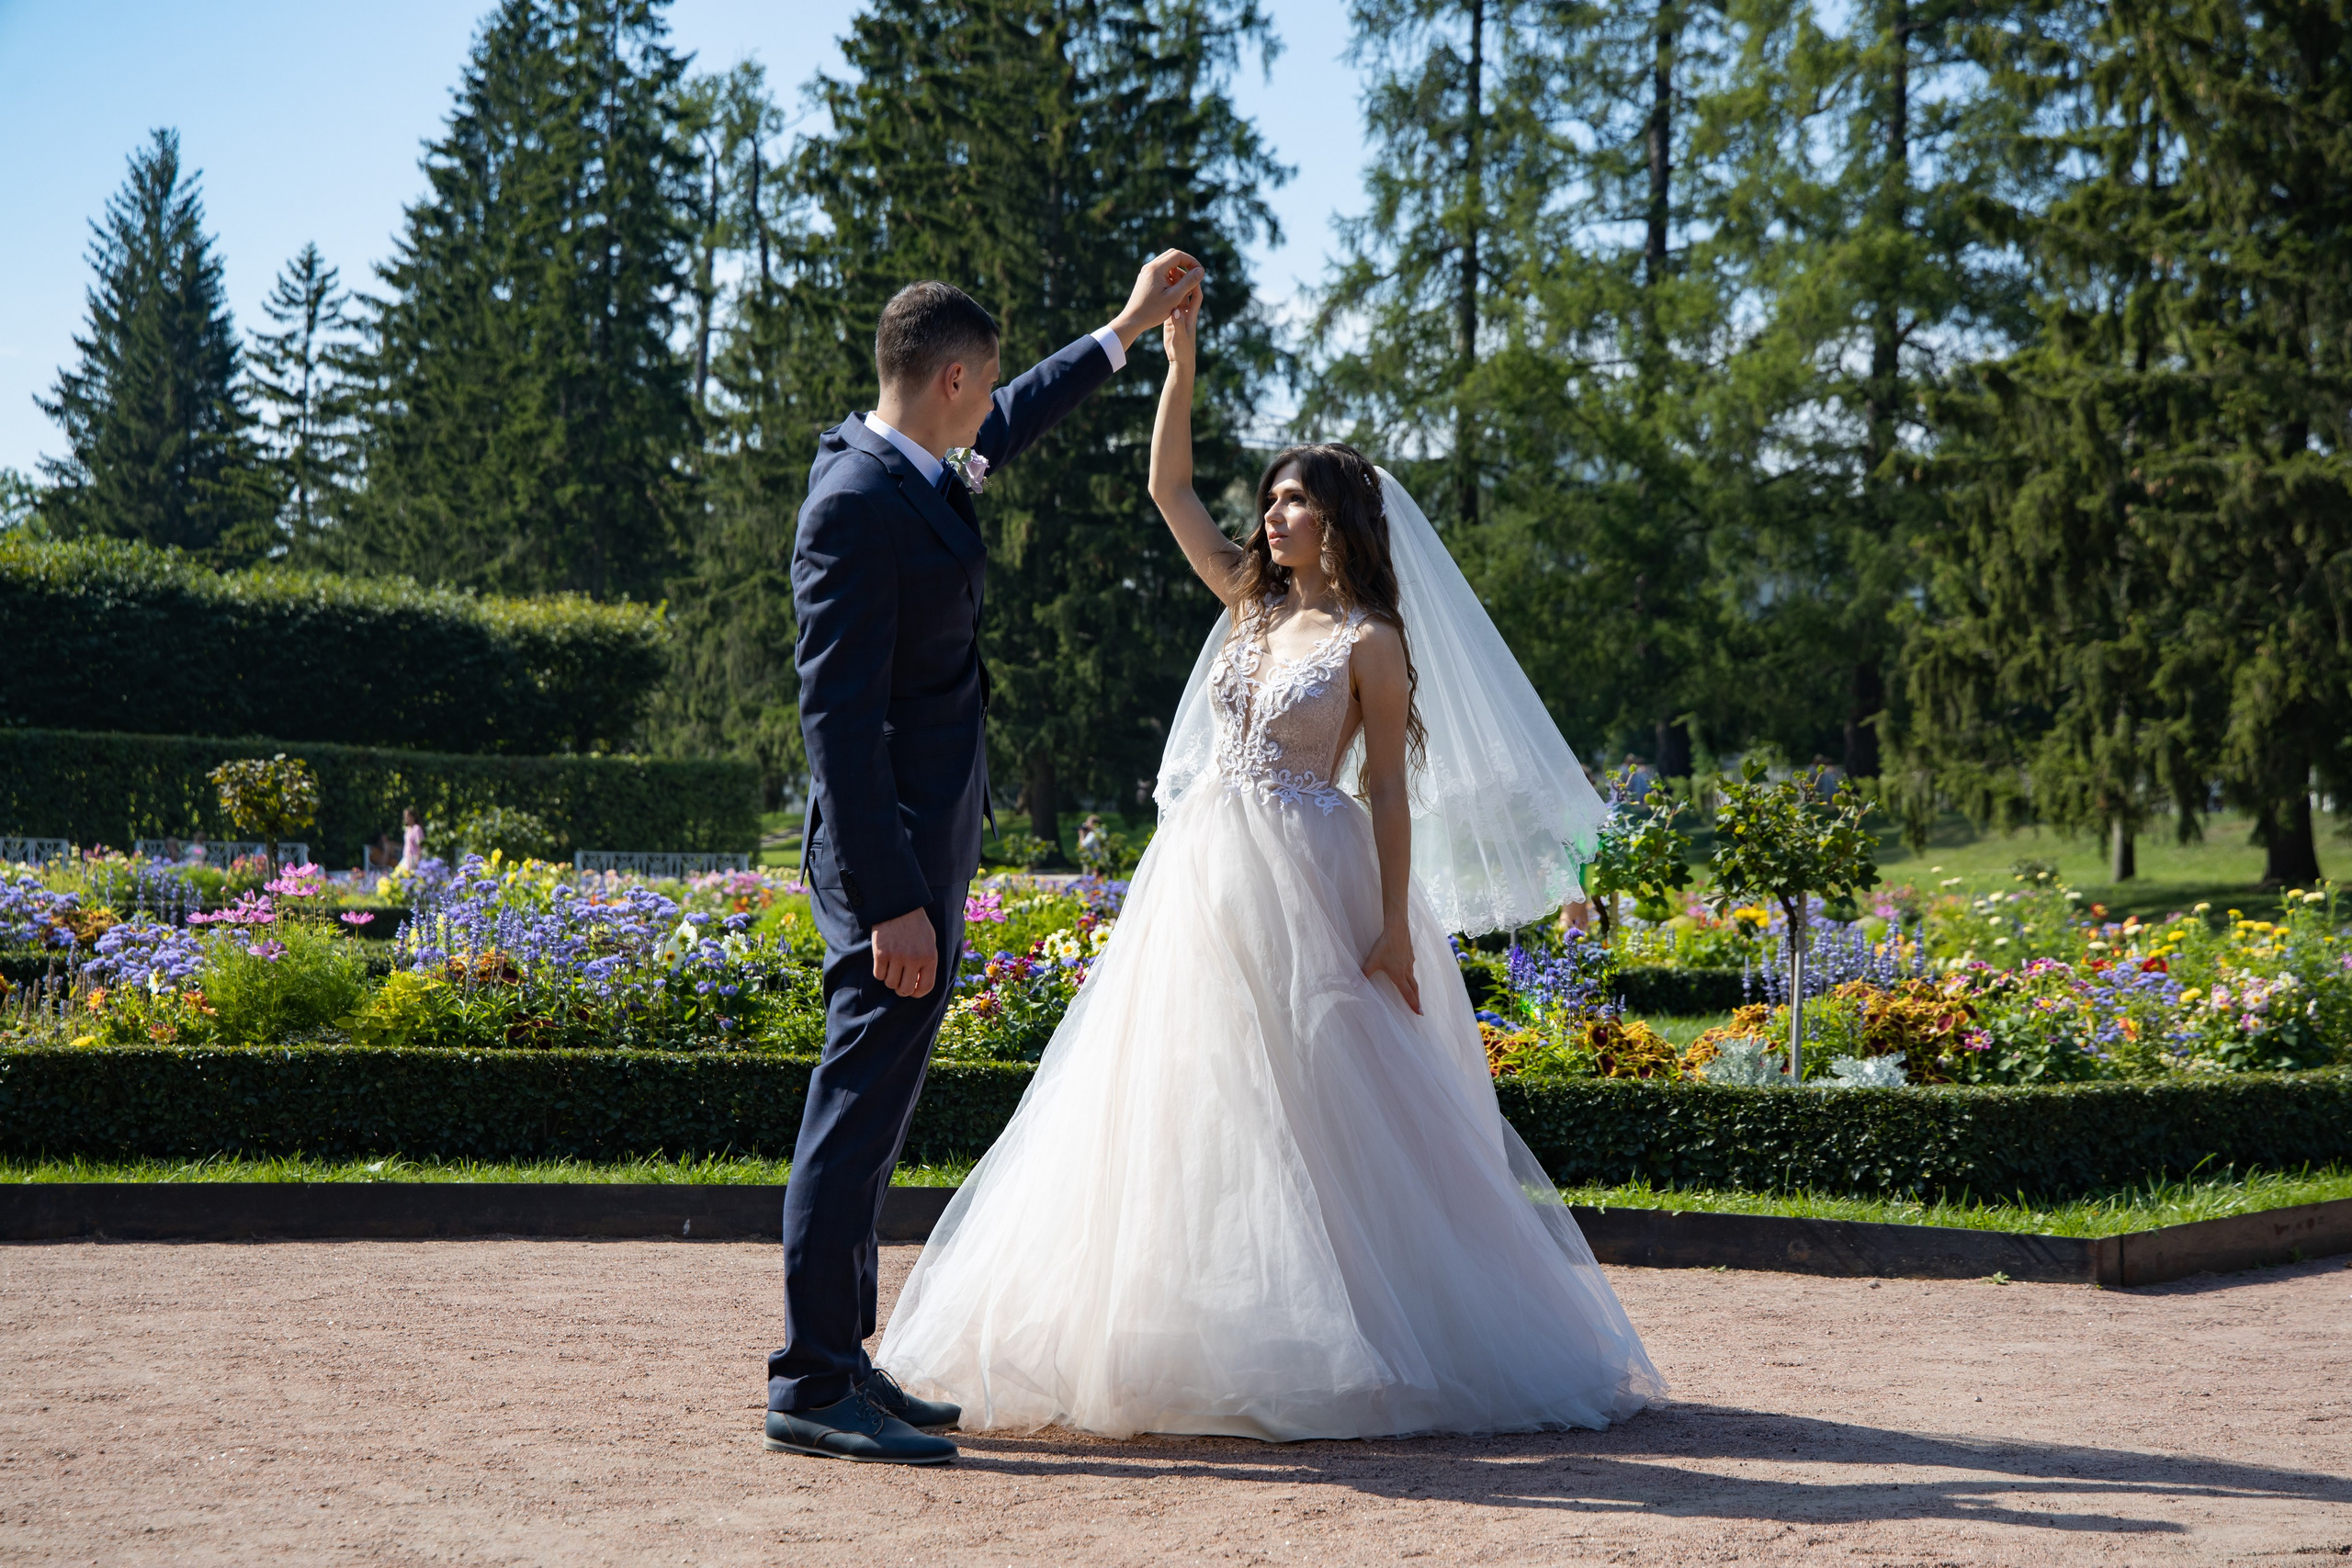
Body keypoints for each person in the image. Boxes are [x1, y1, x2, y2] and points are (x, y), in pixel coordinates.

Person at [875, 284, 1663, 1440]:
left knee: (1318, 1109)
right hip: (1202, 880)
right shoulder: (1247, 603)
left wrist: (1393, 926)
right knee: (1187, 1098)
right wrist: (1175, 358)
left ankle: (1359, 1336)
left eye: (1296, 499)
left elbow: (1388, 788)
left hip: (1313, 876)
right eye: (1275, 498)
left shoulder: (1371, 642)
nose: (1275, 513)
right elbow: (1169, 490)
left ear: (1340, 521)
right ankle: (1184, 1330)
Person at [763, 254, 1208, 1466]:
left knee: (880, 1107)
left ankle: (845, 1357)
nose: (993, 402)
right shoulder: (853, 503)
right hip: (888, 870)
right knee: (851, 1115)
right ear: (951, 375)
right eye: (987, 381)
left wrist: (1124, 327)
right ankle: (809, 1375)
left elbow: (1009, 425)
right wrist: (892, 900)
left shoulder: (912, 465)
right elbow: (837, 726)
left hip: (922, 855)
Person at [398, 809, 423, 874]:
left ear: (413, 817)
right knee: (399, 873)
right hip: (407, 856)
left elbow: (420, 845)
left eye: (408, 816)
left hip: (414, 857)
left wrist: (417, 859)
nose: (406, 818)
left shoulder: (417, 828)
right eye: (405, 816)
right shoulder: (407, 829)